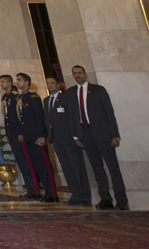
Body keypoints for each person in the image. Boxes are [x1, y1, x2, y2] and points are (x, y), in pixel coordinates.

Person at [68, 65, 127, 210]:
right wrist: (76, 136)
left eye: (80, 73)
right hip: (85, 134)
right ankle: (105, 199)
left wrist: (115, 135)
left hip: (103, 134)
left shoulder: (98, 90)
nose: (78, 75)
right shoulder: (70, 93)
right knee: (97, 168)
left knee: (113, 168)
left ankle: (121, 200)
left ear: (85, 74)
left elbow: (109, 113)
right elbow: (72, 116)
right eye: (75, 73)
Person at [45, 76, 90, 207]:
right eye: (47, 83)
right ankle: (75, 195)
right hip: (57, 139)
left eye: (52, 83)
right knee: (67, 168)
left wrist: (76, 136)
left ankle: (85, 197)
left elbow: (73, 118)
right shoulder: (46, 100)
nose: (50, 85)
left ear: (59, 85)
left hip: (69, 138)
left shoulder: (66, 98)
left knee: (77, 167)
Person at [13, 73, 56, 202]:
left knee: (43, 166)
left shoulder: (34, 97)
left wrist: (42, 135)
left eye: (20, 80)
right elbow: (21, 120)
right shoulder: (20, 98)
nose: (18, 82)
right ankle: (35, 192)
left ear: (26, 82)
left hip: (36, 137)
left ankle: (52, 194)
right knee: (32, 166)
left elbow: (39, 118)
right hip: (27, 137)